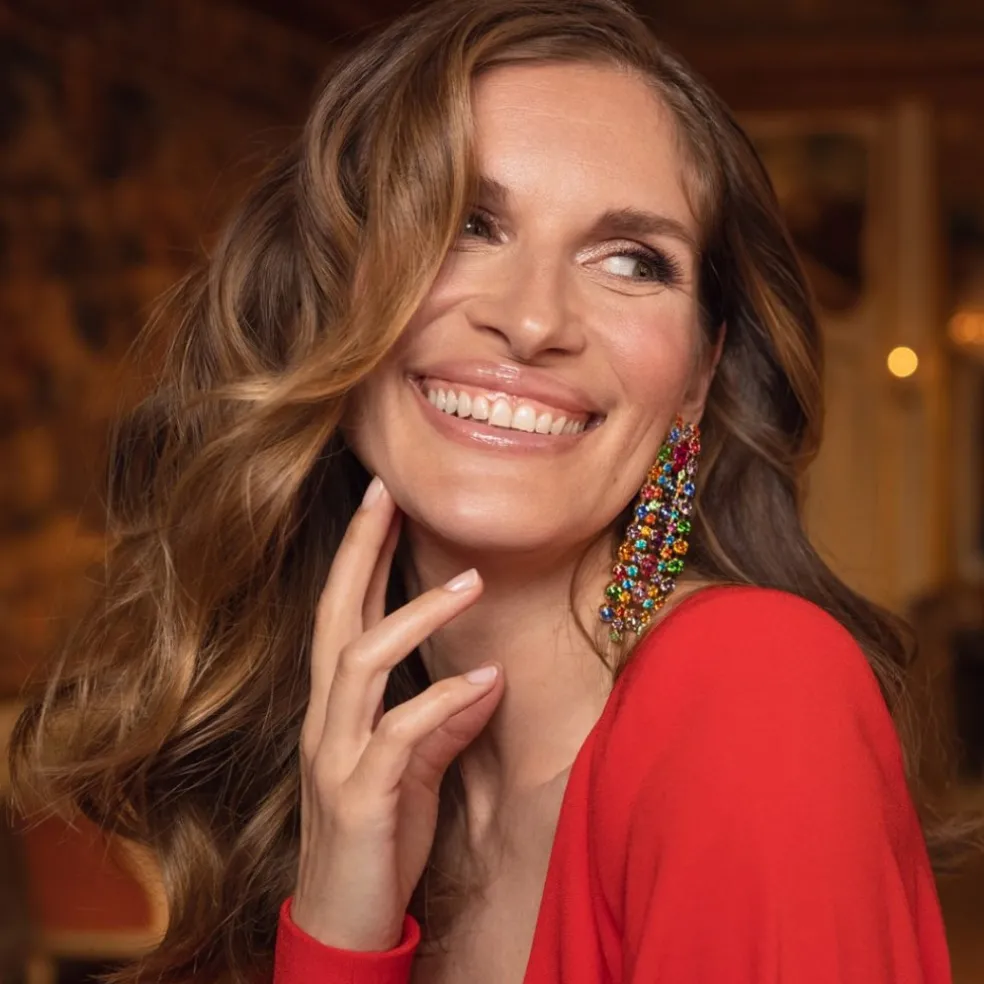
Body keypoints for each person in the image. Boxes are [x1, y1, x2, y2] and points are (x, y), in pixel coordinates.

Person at [9, 0, 958, 981]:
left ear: (698, 376)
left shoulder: (753, 689)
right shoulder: (361, 790)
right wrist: (338, 926)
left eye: (632, 261)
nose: (534, 319)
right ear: (332, 297)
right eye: (465, 224)